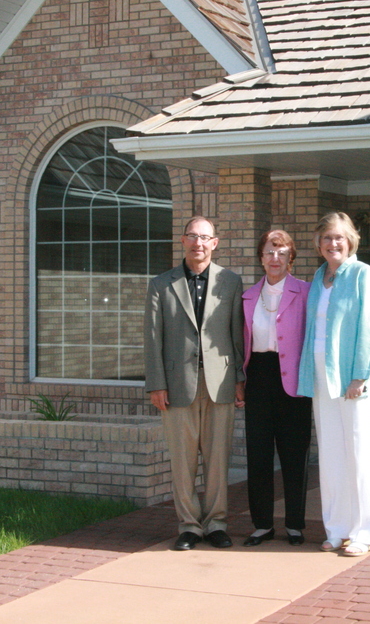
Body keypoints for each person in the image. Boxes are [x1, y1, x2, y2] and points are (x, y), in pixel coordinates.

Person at [144, 216, 245, 551]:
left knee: (218, 459)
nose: (198, 243)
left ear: (215, 243)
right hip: (176, 385)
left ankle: (216, 523)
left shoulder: (231, 282)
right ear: (183, 241)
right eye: (192, 236)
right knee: (183, 459)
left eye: (205, 237)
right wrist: (156, 384)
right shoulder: (161, 284)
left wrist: (240, 378)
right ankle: (189, 526)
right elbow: (153, 338)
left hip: (221, 383)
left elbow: (236, 336)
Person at [298, 212, 370, 557]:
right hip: (322, 378)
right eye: (326, 238)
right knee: (332, 455)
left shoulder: (364, 275)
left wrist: (359, 376)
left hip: (354, 379)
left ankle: (364, 532)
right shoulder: (320, 276)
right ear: (318, 244)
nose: (332, 243)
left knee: (360, 455)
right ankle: (337, 530)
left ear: (351, 240)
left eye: (339, 237)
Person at [241, 229, 312, 547]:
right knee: (258, 453)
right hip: (258, 375)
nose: (275, 258)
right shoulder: (248, 296)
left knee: (294, 454)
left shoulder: (306, 293)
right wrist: (239, 382)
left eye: (282, 253)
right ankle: (262, 524)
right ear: (261, 258)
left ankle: (295, 524)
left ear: (291, 259)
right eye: (270, 252)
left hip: (293, 380)